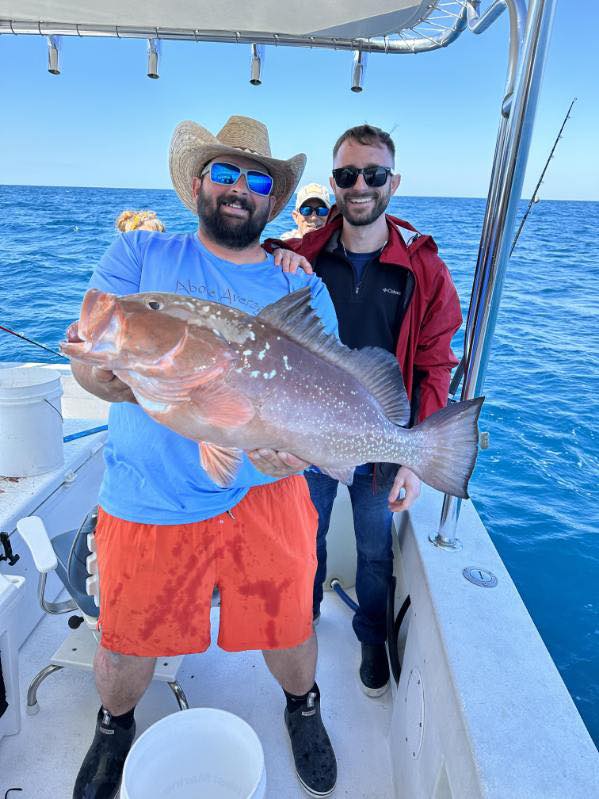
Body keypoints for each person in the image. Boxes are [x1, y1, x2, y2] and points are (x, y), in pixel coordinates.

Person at [69, 115, 338, 799]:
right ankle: (113, 723)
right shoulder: (140, 257)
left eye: (255, 179)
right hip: (148, 489)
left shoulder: (298, 281)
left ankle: (302, 706)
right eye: (224, 172)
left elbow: (324, 395)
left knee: (289, 622)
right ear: (197, 182)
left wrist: (299, 453)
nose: (238, 188)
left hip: (265, 488)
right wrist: (113, 375)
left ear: (271, 200)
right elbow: (88, 367)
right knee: (126, 637)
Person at [256, 124, 462, 698]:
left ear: (392, 181)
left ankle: (372, 635)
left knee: (375, 550)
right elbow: (247, 272)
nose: (360, 186)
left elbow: (435, 361)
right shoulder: (302, 255)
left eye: (373, 174)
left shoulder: (423, 269)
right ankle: (304, 626)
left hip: (380, 440)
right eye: (348, 175)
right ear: (335, 183)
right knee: (306, 538)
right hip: (307, 439)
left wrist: (415, 458)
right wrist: (276, 251)